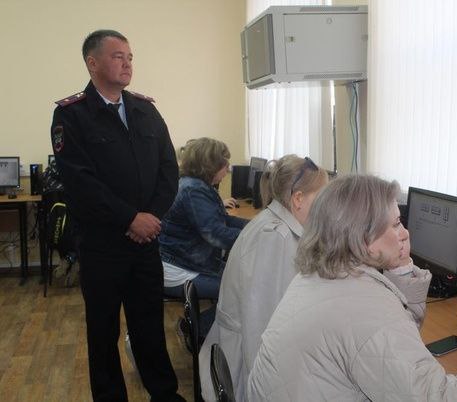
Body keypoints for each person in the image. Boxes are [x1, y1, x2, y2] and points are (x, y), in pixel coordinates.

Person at [247, 175, 457, 401]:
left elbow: (388, 352)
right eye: (395, 224)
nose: (405, 233)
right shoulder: (364, 309)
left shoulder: (323, 275)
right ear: (363, 239)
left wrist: (400, 268)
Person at [50, 30, 185, 401]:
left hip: (146, 243)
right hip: (102, 247)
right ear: (92, 63)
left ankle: (164, 395)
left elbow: (169, 169)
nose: (127, 64)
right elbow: (81, 183)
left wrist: (150, 217)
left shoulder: (146, 110)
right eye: (117, 56)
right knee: (103, 332)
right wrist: (130, 219)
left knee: (150, 327)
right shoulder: (71, 115)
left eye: (130, 57)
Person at [199, 155, 329, 401]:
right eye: (322, 198)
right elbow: (260, 326)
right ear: (298, 198)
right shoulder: (275, 238)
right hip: (245, 370)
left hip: (238, 353)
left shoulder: (275, 223)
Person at [159, 137, 249, 337]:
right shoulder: (194, 190)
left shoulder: (197, 185)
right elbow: (216, 234)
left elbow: (223, 220)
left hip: (187, 261)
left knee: (242, 277)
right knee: (243, 290)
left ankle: (211, 330)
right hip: (179, 269)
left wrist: (254, 226)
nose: (228, 169)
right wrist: (255, 236)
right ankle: (192, 330)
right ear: (210, 165)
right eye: (224, 164)